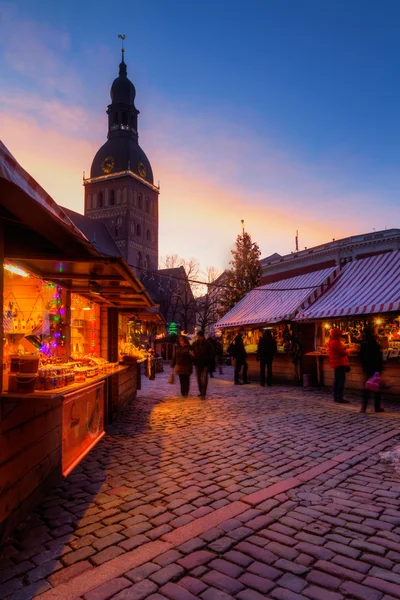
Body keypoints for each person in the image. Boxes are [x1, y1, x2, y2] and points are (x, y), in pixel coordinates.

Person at [360, 325, 384, 413]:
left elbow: (361, 356)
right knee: (376, 388)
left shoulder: (363, 342)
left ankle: (364, 407)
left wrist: (364, 366)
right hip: (374, 367)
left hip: (367, 368)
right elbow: (378, 356)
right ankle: (377, 407)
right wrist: (380, 368)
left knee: (366, 387)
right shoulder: (373, 342)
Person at [191, 330, 215, 398]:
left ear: (202, 336)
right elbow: (191, 351)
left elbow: (212, 352)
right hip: (197, 363)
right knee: (198, 378)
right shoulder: (195, 344)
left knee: (204, 378)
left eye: (199, 336)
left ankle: (203, 392)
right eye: (197, 336)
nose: (198, 337)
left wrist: (208, 359)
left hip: (205, 363)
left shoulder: (208, 343)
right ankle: (201, 391)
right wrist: (193, 356)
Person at [328, 328, 349, 404]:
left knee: (337, 381)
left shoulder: (331, 342)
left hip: (336, 364)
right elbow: (343, 352)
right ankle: (339, 397)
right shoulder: (336, 342)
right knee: (340, 381)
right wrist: (348, 350)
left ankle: (336, 397)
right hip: (340, 363)